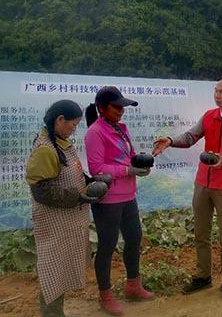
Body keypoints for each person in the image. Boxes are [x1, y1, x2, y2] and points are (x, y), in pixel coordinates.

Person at [153, 78, 222, 302]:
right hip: (203, 183)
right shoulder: (210, 115)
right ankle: (203, 276)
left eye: (221, 92)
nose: (217, 95)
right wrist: (171, 140)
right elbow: (191, 136)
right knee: (201, 233)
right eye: (215, 91)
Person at [84, 86, 154, 316]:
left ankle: (133, 285)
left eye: (123, 106)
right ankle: (105, 295)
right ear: (102, 108)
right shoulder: (95, 132)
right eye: (117, 107)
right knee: (107, 245)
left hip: (127, 195)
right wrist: (128, 170)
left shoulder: (121, 128)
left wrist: (140, 163)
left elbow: (126, 157)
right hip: (108, 199)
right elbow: (97, 168)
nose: (122, 110)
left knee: (134, 238)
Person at [26, 100, 95, 317]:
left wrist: (90, 181)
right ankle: (51, 314)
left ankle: (56, 313)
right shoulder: (46, 149)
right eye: (73, 124)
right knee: (52, 271)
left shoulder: (60, 142)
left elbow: (71, 172)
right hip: (53, 223)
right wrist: (79, 196)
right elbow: (42, 190)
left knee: (60, 269)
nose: (74, 129)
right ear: (60, 120)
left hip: (66, 222)